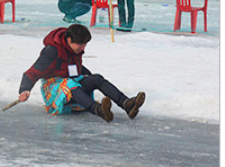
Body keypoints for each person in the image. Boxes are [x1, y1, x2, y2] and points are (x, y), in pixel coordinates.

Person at [17, 24, 146, 122]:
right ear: (68, 40)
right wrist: (24, 89)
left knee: (96, 78)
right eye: (80, 44)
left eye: (85, 44)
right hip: (54, 90)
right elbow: (32, 72)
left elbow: (76, 68)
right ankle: (98, 110)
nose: (83, 48)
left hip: (71, 83)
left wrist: (91, 80)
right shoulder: (52, 51)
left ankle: (126, 103)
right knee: (70, 84)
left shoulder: (74, 50)